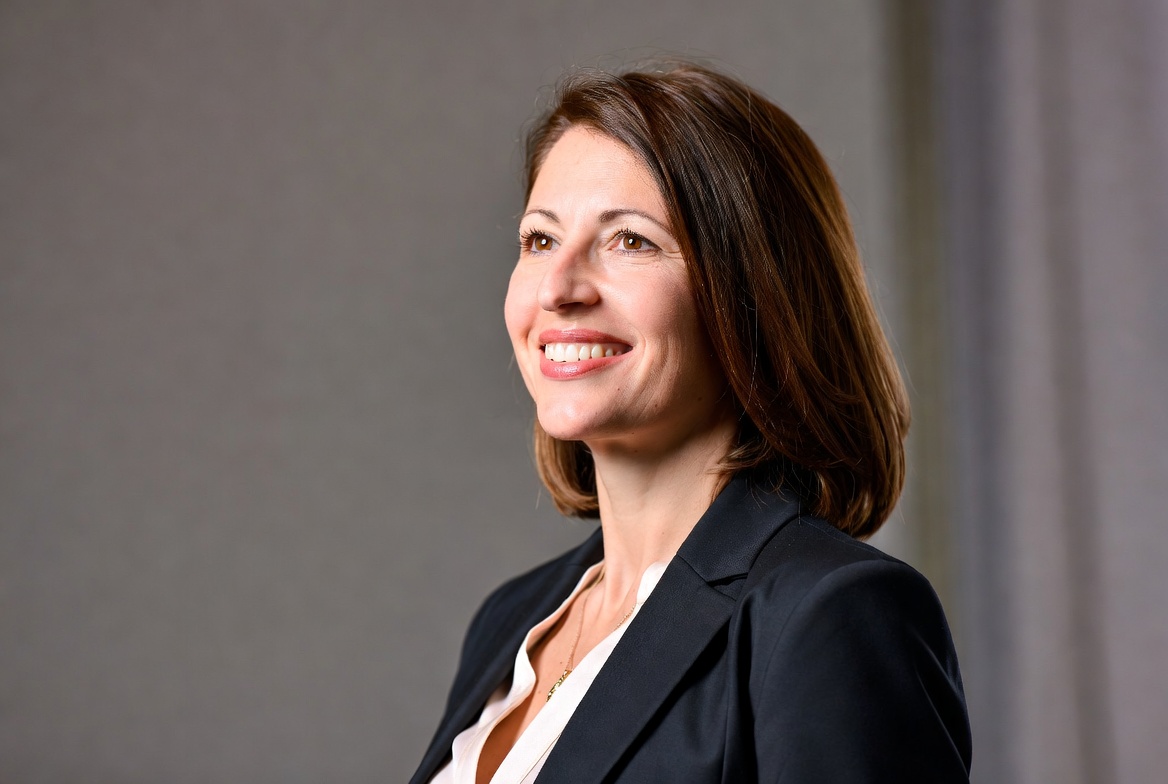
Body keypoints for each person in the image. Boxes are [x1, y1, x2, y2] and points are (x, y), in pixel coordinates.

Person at [411, 61, 972, 783]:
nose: (557, 288)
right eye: (540, 240)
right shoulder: (511, 618)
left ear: (754, 293)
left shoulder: (831, 615)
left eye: (631, 241)